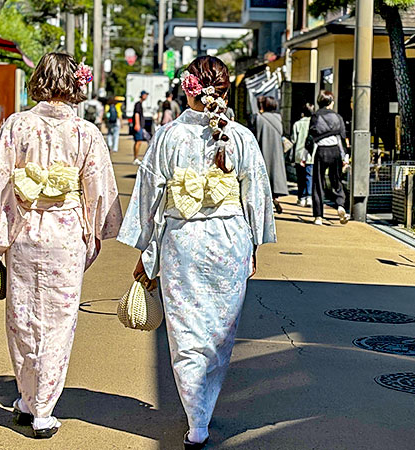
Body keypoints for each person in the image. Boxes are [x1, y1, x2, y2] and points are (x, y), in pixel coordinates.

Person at [117, 55, 276, 450]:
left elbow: (149, 198)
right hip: (229, 240)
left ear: (187, 89)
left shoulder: (169, 136)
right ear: (223, 92)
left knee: (185, 334)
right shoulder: (240, 137)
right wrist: (254, 244)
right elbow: (256, 192)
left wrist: (145, 251)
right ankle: (204, 409)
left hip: (182, 242)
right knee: (220, 334)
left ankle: (196, 420)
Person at [0, 52, 123, 439]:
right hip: (66, 233)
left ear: (39, 81)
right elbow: (98, 193)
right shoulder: (85, 133)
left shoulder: (17, 126)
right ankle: (42, 410)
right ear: (74, 84)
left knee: (22, 318)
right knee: (58, 323)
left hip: (23, 231)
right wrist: (94, 232)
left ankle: (27, 399)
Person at [308, 90, 348, 225]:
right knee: (336, 180)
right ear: (331, 102)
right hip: (335, 151)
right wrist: (345, 156)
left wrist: (306, 153)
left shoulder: (315, 116)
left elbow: (310, 137)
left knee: (318, 182)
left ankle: (318, 216)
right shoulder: (338, 117)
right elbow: (342, 138)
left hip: (321, 151)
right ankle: (341, 205)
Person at [254, 96, 289, 214]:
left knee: (263, 177)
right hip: (276, 152)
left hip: (263, 150)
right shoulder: (278, 118)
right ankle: (275, 198)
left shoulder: (259, 118)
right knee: (274, 175)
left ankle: (267, 202)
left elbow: (256, 136)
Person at [291, 103, 315, 207]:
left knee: (300, 177)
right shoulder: (314, 124)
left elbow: (293, 139)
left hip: (299, 154)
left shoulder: (297, 124)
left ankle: (301, 198)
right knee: (309, 176)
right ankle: (309, 197)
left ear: (302, 113)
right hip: (311, 154)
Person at [132, 90, 149, 165]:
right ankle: (135, 158)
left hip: (140, 125)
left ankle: (136, 158)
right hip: (139, 126)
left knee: (139, 141)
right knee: (138, 141)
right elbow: (137, 114)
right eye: (145, 95)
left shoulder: (140, 104)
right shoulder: (138, 104)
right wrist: (137, 124)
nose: (146, 96)